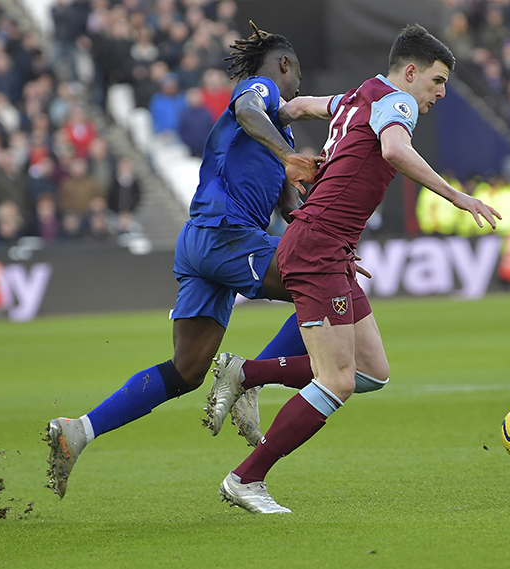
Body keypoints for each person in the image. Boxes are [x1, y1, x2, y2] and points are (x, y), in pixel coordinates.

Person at [213, 24, 500, 514]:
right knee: (338, 380)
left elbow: (300, 107)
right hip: (319, 244)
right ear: (410, 72)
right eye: (436, 80)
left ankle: (247, 372)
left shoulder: (359, 95)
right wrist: (455, 194)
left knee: (371, 373)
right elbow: (392, 149)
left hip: (331, 246)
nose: (441, 93)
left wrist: (262, 113)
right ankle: (245, 478)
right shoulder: (399, 103)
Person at [44, 22, 321, 499]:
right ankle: (249, 378)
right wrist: (285, 153)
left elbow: (286, 207)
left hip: (200, 243)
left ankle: (80, 430)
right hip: (226, 234)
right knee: (321, 283)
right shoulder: (260, 90)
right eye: (297, 77)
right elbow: (250, 109)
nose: (298, 89)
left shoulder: (284, 133)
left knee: (188, 371)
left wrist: (314, 214)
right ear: (283, 66)